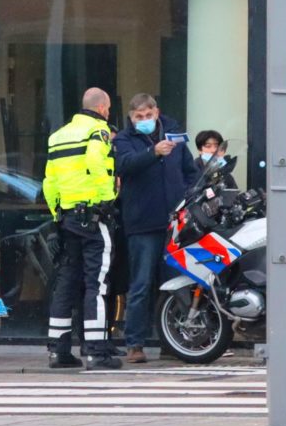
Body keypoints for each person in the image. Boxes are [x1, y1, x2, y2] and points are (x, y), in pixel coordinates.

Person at [112, 93, 198, 364]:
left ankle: (173, 340)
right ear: (131, 118)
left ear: (157, 113)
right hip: (141, 223)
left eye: (148, 115)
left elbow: (190, 171)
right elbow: (123, 165)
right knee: (140, 284)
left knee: (175, 283)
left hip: (174, 223)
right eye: (139, 117)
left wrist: (188, 196)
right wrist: (152, 152)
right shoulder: (125, 140)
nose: (144, 121)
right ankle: (135, 344)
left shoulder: (175, 136)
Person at [43, 87, 121, 371]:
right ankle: (97, 352)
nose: (108, 114)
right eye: (109, 109)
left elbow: (49, 182)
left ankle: (58, 350)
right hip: (92, 216)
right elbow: (96, 163)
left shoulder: (58, 136)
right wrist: (106, 200)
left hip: (66, 217)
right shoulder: (98, 131)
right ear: (101, 108)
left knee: (65, 282)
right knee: (96, 284)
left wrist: (56, 216)